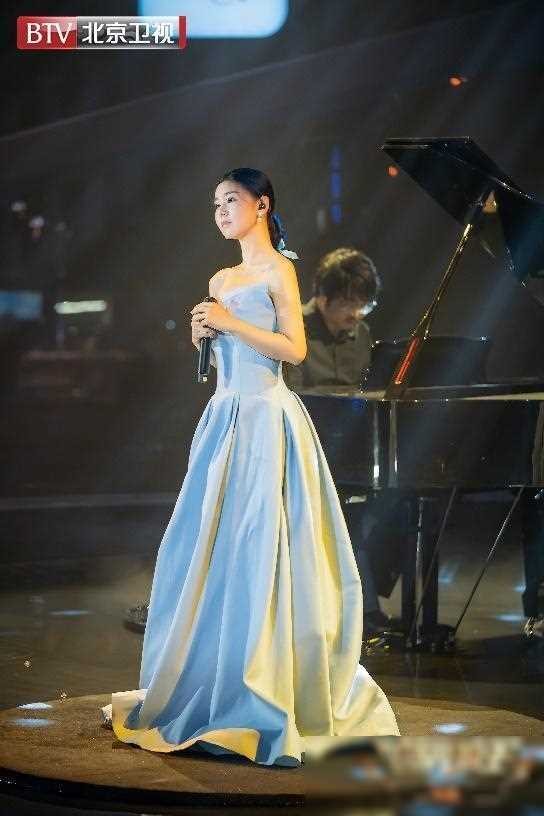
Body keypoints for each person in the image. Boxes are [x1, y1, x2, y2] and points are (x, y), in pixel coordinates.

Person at [101, 167, 399, 766]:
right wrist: (204, 339)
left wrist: (229, 322)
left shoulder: (279, 269)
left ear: (262, 205)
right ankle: (217, 675)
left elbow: (295, 349)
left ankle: (270, 682)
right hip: (225, 415)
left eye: (231, 200)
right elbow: (224, 360)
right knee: (216, 547)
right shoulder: (222, 277)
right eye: (215, 203)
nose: (221, 211)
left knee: (266, 544)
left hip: (266, 417)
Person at [282, 248, 402, 636]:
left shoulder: (361, 333)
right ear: (322, 297)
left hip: (353, 448)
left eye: (364, 305)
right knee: (343, 518)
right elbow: (292, 397)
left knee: (399, 508)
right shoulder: (292, 326)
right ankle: (356, 611)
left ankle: (365, 602)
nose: (356, 314)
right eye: (348, 304)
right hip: (304, 446)